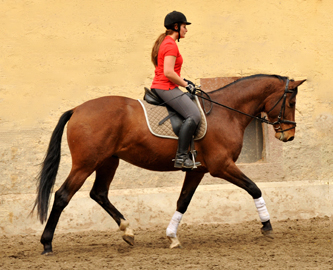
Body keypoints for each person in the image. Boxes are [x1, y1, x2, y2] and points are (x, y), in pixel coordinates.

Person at [150, 11, 201, 169]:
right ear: (176, 26)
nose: (186, 30)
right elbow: (168, 72)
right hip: (165, 87)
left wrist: (185, 81)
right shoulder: (170, 44)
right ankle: (181, 158)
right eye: (184, 26)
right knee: (194, 114)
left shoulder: (166, 42)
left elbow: (171, 72)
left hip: (166, 85)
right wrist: (186, 85)